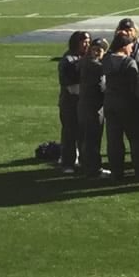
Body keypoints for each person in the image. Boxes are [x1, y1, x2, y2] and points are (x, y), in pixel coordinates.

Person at [101, 21, 139, 181]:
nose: (132, 48)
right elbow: (135, 86)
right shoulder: (129, 62)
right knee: (135, 139)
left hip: (110, 103)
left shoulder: (106, 59)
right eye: (130, 46)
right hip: (128, 104)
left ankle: (116, 172)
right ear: (124, 46)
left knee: (114, 140)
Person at [55, 31, 89, 172]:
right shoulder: (68, 60)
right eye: (84, 41)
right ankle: (68, 163)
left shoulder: (84, 57)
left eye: (88, 41)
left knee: (83, 133)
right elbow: (70, 85)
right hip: (70, 102)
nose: (87, 44)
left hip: (81, 101)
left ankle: (82, 160)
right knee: (70, 132)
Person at [75, 37, 107, 177]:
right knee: (93, 139)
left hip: (87, 106)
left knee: (88, 139)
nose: (96, 53)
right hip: (92, 107)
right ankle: (93, 169)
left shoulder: (86, 62)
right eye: (94, 50)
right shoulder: (93, 64)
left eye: (99, 50)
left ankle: (87, 166)